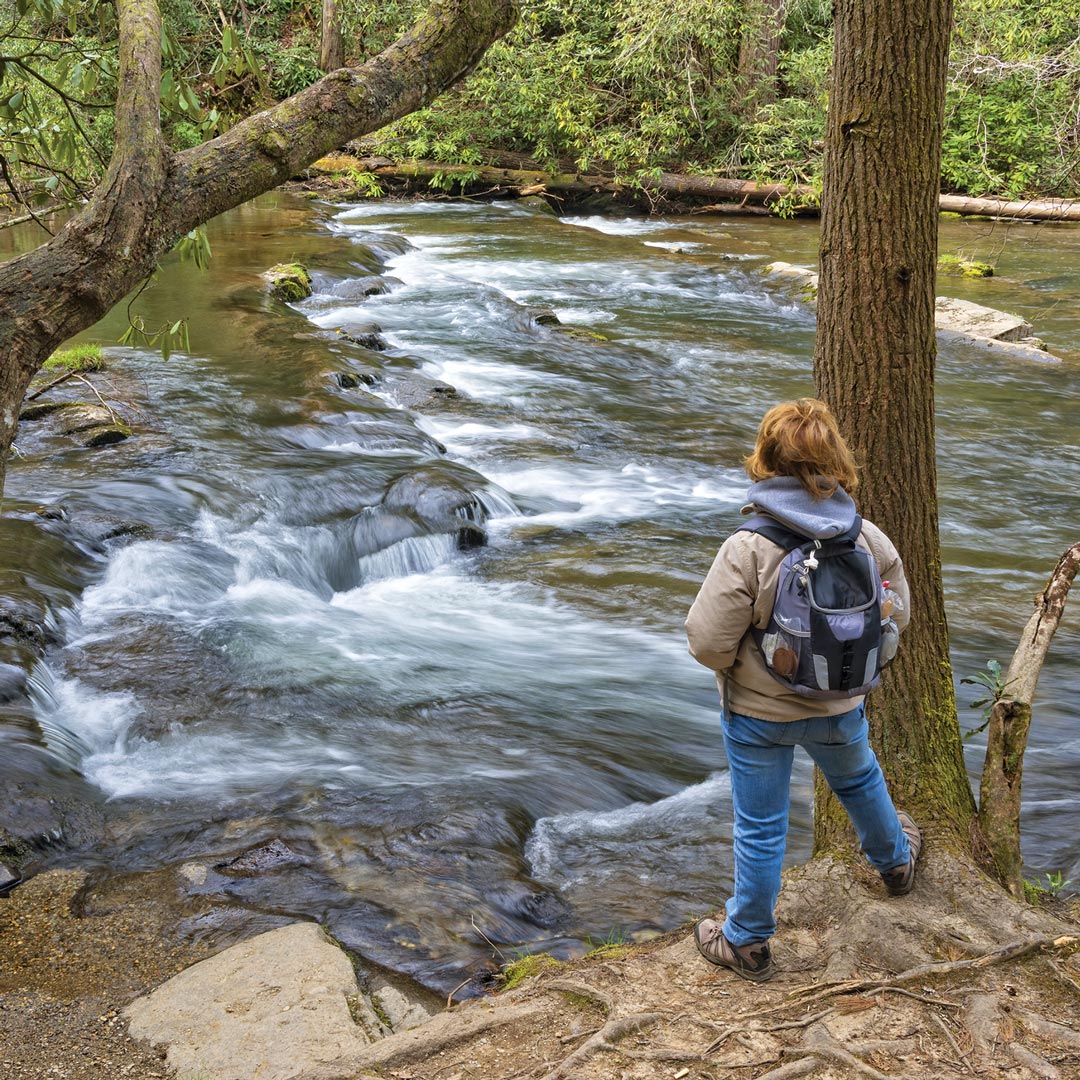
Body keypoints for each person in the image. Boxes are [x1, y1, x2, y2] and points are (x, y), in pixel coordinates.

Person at [685, 398, 921, 983]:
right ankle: (894, 864)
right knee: (860, 779)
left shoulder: (749, 545)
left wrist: (746, 667)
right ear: (835, 459)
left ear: (764, 460)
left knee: (762, 825)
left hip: (759, 714)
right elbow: (901, 615)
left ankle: (747, 940)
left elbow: (708, 641)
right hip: (843, 702)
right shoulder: (867, 538)